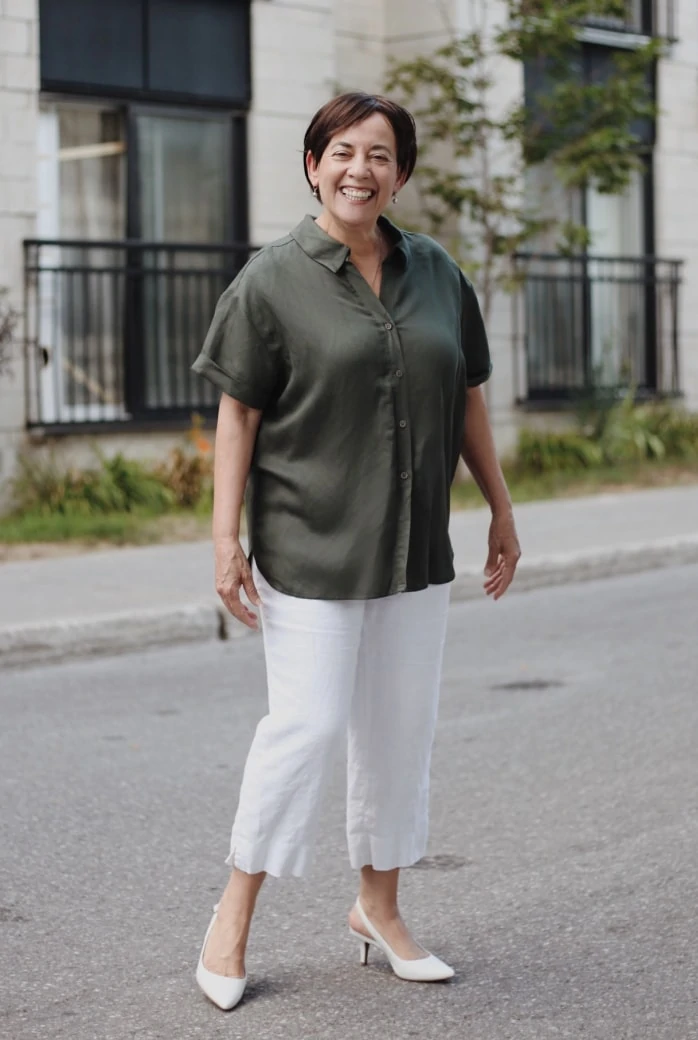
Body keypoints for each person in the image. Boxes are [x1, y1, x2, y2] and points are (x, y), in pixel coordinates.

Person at [190, 91, 521, 1011]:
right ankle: (231, 919)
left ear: (400, 174)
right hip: (311, 547)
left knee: (400, 729)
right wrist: (224, 540)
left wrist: (499, 507)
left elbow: (467, 396)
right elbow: (237, 415)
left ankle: (379, 909)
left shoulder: (437, 272)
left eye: (379, 154)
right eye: (341, 151)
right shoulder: (271, 281)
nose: (358, 169)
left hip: (414, 549)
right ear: (313, 166)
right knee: (304, 730)